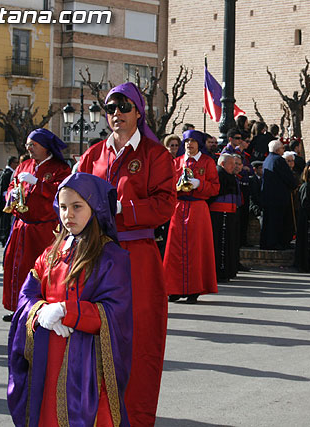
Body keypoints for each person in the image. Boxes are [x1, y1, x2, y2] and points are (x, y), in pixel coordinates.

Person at [77, 82, 175, 426]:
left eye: (123, 107)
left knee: (139, 338)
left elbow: (165, 204)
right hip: (96, 254)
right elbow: (76, 195)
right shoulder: (92, 155)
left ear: (138, 112)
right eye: (110, 109)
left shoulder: (156, 154)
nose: (116, 114)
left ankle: (134, 416)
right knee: (90, 334)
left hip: (137, 256)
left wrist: (123, 208)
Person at [7, 172, 133, 426]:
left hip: (85, 363)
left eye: (77, 207)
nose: (68, 215)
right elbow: (28, 293)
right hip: (45, 356)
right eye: (63, 207)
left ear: (95, 207)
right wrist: (41, 310)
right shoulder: (52, 251)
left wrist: (68, 311)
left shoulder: (111, 256)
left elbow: (115, 311)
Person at [3, 129, 71, 322]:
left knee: (43, 269)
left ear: (45, 147)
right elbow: (11, 187)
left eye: (33, 144)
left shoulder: (60, 168)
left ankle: (40, 307)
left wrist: (38, 183)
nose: (29, 148)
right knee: (16, 266)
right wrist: (12, 196)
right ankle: (16, 306)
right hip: (21, 226)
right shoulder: (24, 165)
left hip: (44, 229)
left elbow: (61, 192)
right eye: (28, 145)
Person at [164, 129, 220, 303]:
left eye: (193, 142)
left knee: (196, 249)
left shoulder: (208, 162)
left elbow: (215, 188)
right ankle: (174, 288)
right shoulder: (177, 162)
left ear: (199, 144)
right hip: (179, 207)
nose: (189, 145)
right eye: (187, 142)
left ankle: (194, 289)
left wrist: (199, 183)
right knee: (175, 248)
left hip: (197, 208)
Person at [260, 140, 298, 250]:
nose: (283, 150)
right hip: (278, 198)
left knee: (268, 222)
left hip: (268, 196)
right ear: (277, 150)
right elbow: (288, 178)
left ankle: (266, 243)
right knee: (277, 222)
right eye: (282, 148)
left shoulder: (267, 160)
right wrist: (294, 185)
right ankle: (276, 243)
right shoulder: (279, 160)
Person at [210, 153, 241, 282]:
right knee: (220, 243)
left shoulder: (230, 175)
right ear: (223, 164)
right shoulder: (219, 175)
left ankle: (228, 270)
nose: (234, 166)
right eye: (231, 163)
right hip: (219, 214)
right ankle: (220, 271)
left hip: (229, 213)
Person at [0, 156, 18, 246]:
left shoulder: (2, 172)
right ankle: (4, 238)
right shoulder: (9, 173)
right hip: (7, 199)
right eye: (16, 163)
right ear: (11, 163)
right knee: (6, 220)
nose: (17, 164)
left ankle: (2, 237)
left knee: (3, 220)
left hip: (2, 199)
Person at [249, 160, 264, 226]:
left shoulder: (262, 179)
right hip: (256, 207)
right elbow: (254, 195)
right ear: (255, 169)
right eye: (261, 168)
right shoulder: (252, 180)